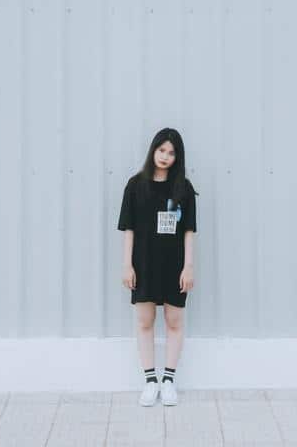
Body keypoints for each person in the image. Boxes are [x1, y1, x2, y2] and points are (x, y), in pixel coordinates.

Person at [117, 127, 198, 406]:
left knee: (174, 321)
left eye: (171, 152)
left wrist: (188, 267)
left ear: (178, 157)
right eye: (161, 150)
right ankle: (150, 381)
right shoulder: (135, 185)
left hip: (174, 265)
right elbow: (128, 229)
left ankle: (169, 380)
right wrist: (127, 265)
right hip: (144, 264)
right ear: (153, 150)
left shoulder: (183, 189)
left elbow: (189, 230)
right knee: (144, 321)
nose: (165, 156)